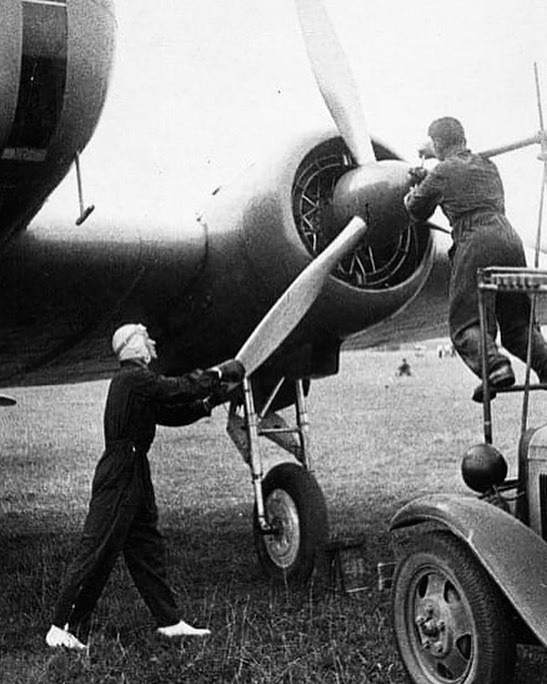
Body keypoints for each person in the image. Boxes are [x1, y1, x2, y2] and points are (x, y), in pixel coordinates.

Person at [45, 323, 244, 650]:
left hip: (133, 467)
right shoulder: (133, 378)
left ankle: (169, 622)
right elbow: (180, 388)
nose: (152, 343)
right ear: (131, 346)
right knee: (98, 547)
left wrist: (212, 400)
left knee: (146, 547)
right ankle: (61, 627)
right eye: (145, 338)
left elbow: (170, 413)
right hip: (122, 468)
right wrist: (220, 374)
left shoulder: (137, 384)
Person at [404, 117, 547, 401]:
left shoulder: (442, 172)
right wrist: (433, 171)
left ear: (438, 143)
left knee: (466, 324)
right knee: (519, 323)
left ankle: (494, 368)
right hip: (508, 237)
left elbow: (417, 210)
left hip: (475, 239)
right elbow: (461, 177)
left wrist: (414, 189)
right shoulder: (487, 165)